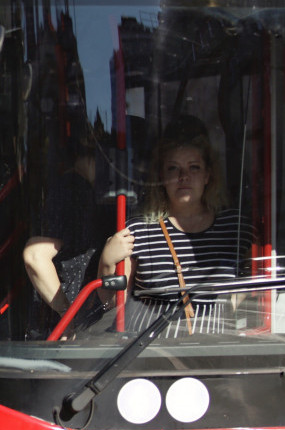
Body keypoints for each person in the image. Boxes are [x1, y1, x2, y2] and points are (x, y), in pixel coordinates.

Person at [99, 115, 253, 335]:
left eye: (194, 168)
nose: (184, 177)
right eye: (173, 168)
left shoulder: (235, 227)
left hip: (215, 352)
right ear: (161, 176)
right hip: (145, 353)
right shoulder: (139, 230)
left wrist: (229, 307)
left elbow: (257, 280)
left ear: (208, 175)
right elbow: (114, 306)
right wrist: (106, 262)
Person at [23, 132, 113, 328]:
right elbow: (35, 254)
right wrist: (68, 315)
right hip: (75, 310)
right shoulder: (74, 192)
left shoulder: (69, 187)